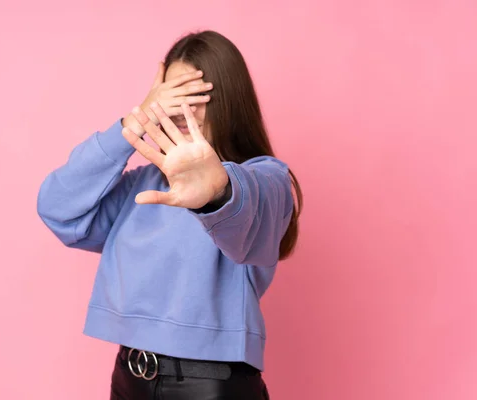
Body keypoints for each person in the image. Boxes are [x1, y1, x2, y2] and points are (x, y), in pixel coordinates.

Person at [37, 30, 302, 400]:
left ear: (229, 102)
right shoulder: (142, 186)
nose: (181, 109)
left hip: (210, 386)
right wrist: (131, 126)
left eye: (195, 96)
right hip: (129, 376)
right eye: (171, 96)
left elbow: (251, 207)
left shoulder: (264, 178)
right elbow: (57, 209)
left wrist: (217, 190)